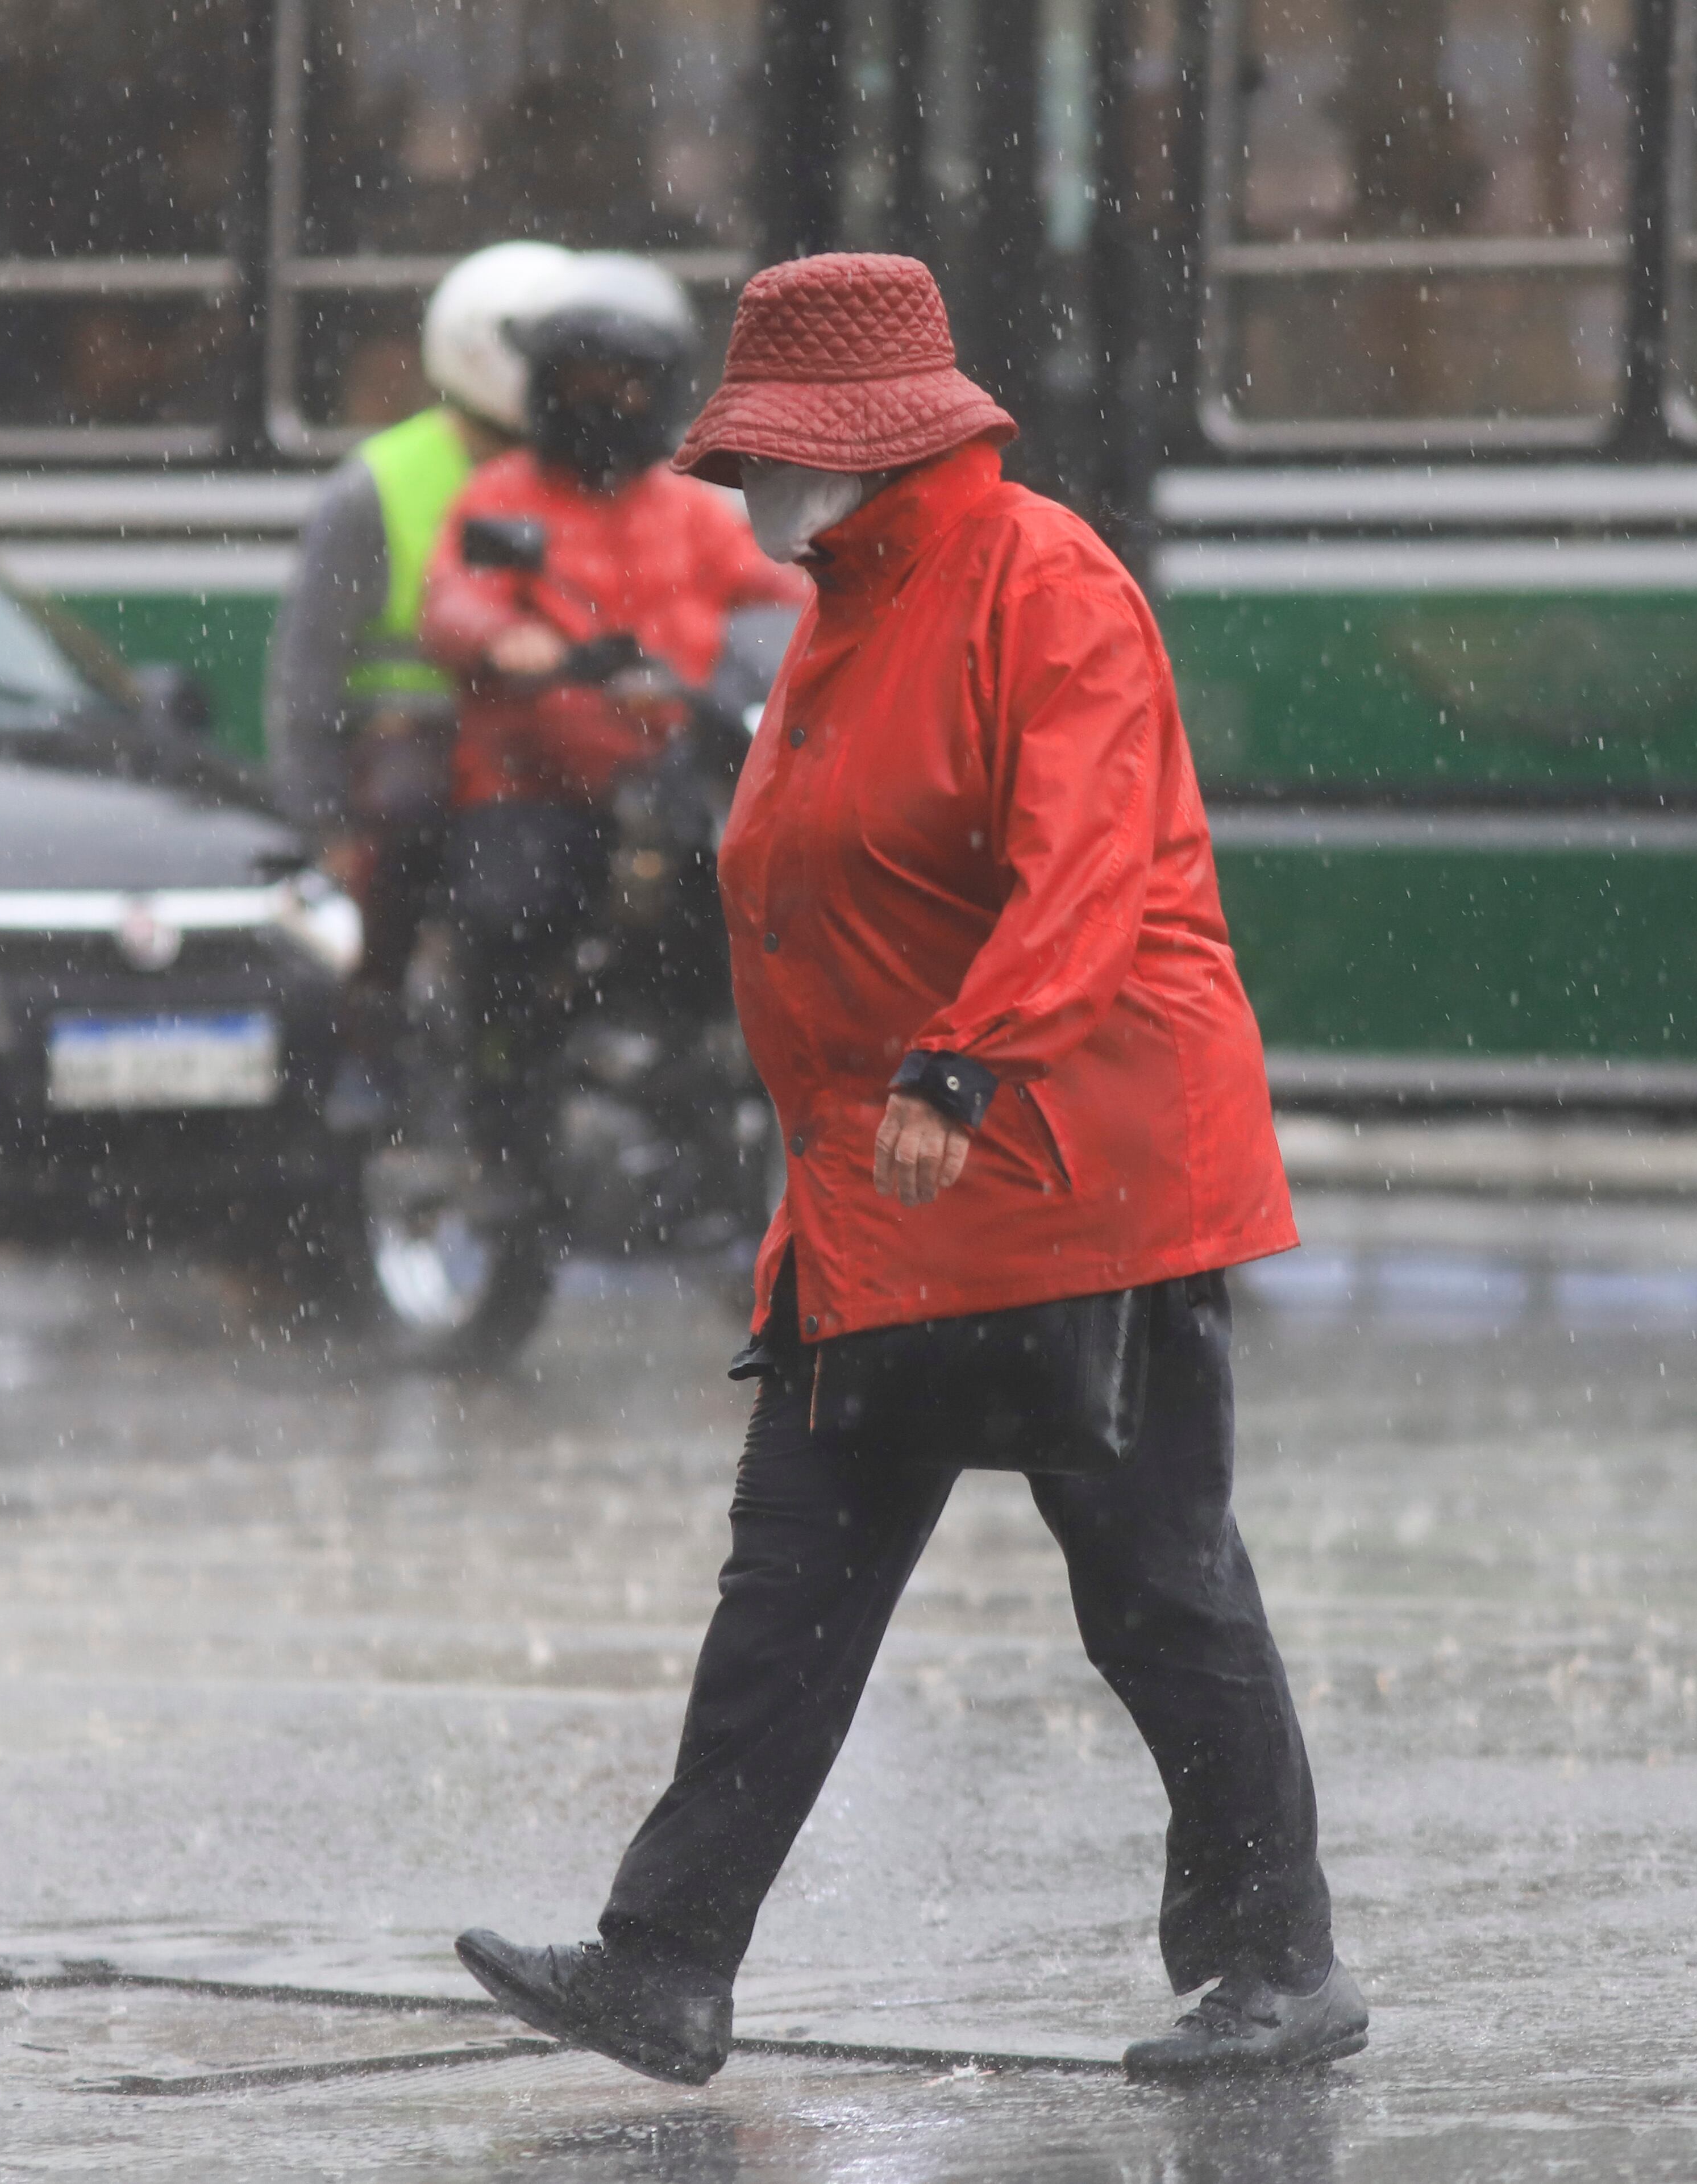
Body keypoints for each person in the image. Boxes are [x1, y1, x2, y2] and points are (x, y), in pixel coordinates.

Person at [452, 253, 1365, 2083]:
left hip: (1078, 1169)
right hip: (881, 1198)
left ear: (866, 447)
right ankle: (665, 1960)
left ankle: (1281, 1965)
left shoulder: (1041, 583)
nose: (757, 491)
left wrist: (964, 1058)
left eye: (783, 454)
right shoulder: (846, 602)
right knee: (787, 1584)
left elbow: (1091, 864)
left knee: (1158, 1585)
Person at [417, 254, 806, 1193]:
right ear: (545, 391)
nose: (605, 402)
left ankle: (717, 1102)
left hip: (677, 778)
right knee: (516, 918)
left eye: (625, 383)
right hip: (535, 782)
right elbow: (451, 601)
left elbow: (790, 590)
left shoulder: (692, 509)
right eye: (582, 383)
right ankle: (501, 1131)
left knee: (763, 918)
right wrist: (507, 640)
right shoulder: (502, 496)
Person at [263, 240, 579, 1108]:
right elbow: (308, 675)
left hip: (552, 745)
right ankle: (377, 1034)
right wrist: (323, 820)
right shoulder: (376, 486)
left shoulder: (595, 473)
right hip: (414, 747)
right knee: (400, 835)